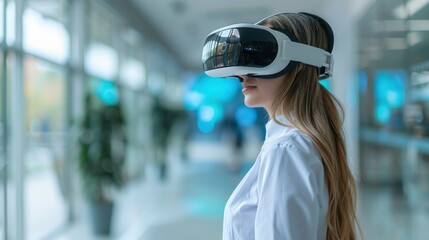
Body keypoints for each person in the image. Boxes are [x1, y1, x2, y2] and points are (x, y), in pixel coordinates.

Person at [202, 12, 360, 239]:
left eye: (260, 55)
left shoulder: (285, 151)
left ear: (298, 65)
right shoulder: (301, 144)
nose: (243, 74)